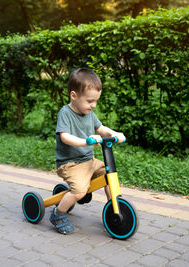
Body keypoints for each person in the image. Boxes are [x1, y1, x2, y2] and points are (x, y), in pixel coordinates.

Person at [51, 68, 125, 235]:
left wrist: (114, 134)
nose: (94, 105)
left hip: (88, 162)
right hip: (70, 164)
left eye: (96, 101)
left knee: (109, 175)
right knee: (79, 191)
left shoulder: (90, 114)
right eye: (90, 101)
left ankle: (114, 208)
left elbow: (101, 129)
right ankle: (58, 215)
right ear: (74, 96)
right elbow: (65, 137)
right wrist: (86, 141)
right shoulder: (65, 113)